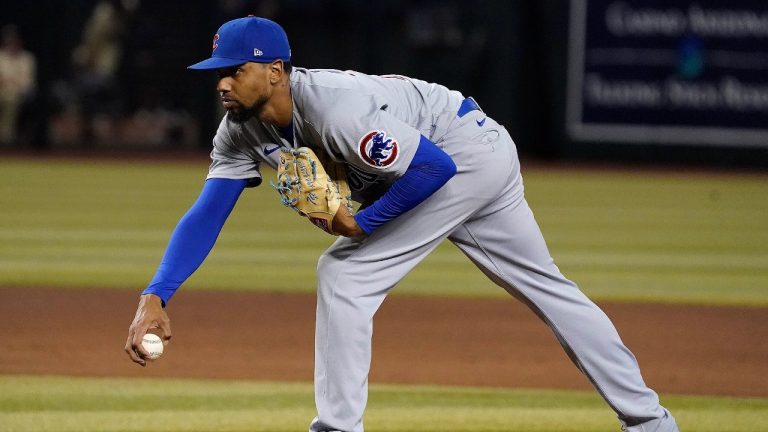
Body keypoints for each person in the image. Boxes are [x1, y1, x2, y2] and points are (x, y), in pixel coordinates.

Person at [124, 16, 680, 432]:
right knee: (548, 288)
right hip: (473, 147)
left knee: (344, 273)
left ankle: (337, 426)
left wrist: (363, 226)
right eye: (216, 73)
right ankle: (651, 422)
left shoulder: (337, 110)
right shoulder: (238, 131)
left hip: (462, 154)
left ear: (274, 71)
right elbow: (207, 213)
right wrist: (157, 293)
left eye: (234, 71)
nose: (222, 84)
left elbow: (433, 168)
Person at [0, 25, 36, 146]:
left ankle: (5, 137)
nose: (12, 44)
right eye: (9, 41)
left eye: (14, 41)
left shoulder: (27, 58)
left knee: (11, 99)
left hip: (17, 93)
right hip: (2, 91)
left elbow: (27, 82)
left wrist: (10, 82)